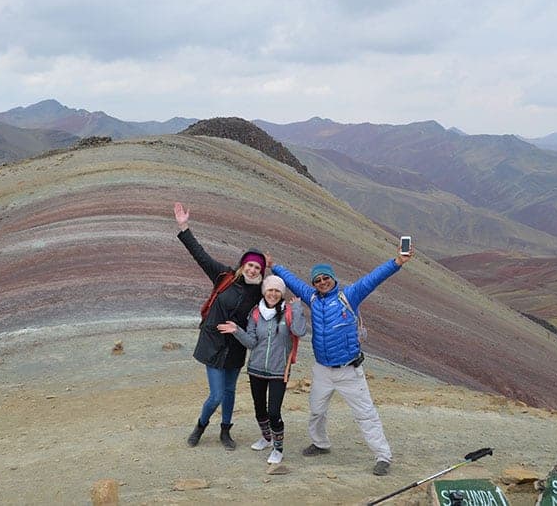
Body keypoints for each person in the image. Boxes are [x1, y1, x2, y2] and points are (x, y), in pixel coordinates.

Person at [268, 242, 413, 476]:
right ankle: (320, 443)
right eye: (317, 280)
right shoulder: (312, 298)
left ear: (333, 279)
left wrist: (397, 262)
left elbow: (372, 279)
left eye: (326, 278)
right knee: (316, 410)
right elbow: (294, 282)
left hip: (349, 370)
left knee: (365, 414)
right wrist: (275, 267)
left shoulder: (349, 296)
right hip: (323, 369)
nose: (322, 282)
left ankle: (383, 456)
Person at [174, 202, 265, 450]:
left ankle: (226, 432)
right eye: (250, 264)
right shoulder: (224, 277)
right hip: (213, 343)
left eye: (258, 267)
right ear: (243, 264)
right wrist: (184, 228)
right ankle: (201, 426)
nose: (253, 269)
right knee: (216, 395)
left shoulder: (260, 293)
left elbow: (275, 301)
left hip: (236, 346)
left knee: (230, 391)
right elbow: (200, 255)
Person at [217, 275, 306, 464]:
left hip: (279, 370)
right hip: (256, 368)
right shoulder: (256, 313)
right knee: (259, 409)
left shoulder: (289, 312)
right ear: (264, 291)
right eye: (269, 290)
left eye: (277, 291)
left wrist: (298, 308)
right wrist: (236, 331)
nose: (273, 294)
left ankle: (278, 448)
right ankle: (266, 438)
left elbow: (299, 331)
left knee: (274, 411)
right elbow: (251, 342)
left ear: (281, 293)